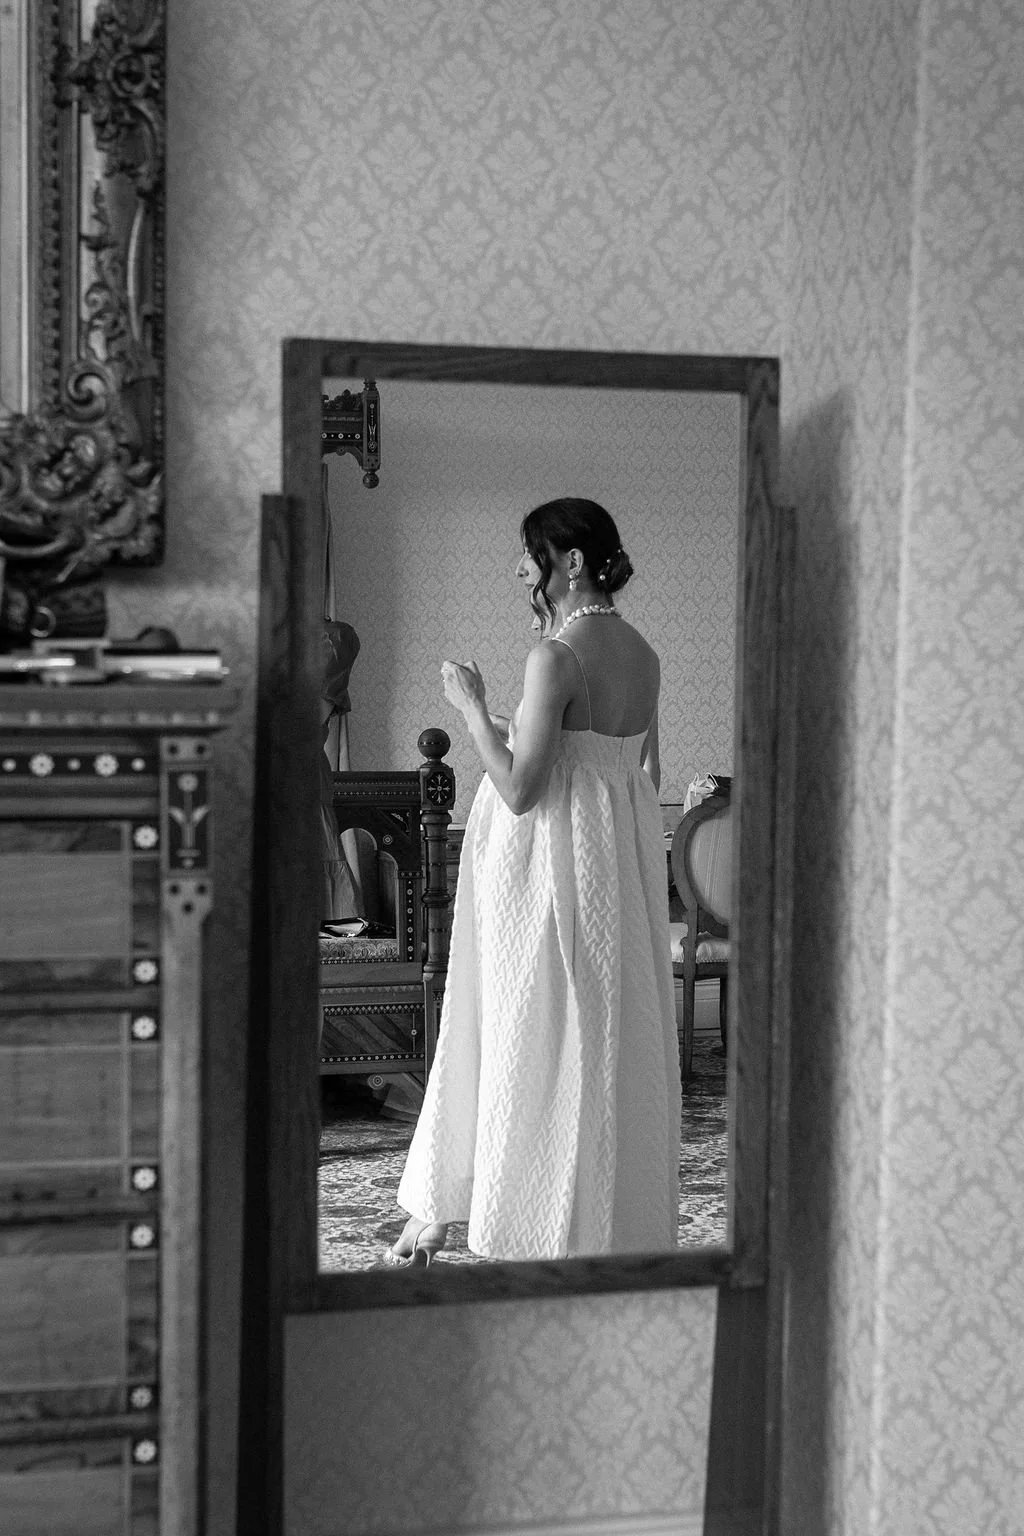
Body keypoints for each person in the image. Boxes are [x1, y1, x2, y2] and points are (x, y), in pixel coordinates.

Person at [383, 498, 681, 1266]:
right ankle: (596, 1210)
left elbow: (521, 789)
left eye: (530, 553)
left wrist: (471, 708)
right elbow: (639, 772)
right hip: (613, 866)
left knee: (518, 1024)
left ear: (570, 561)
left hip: (544, 869)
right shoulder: (644, 654)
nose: (522, 568)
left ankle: (512, 1211)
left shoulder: (555, 657)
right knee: (596, 1034)